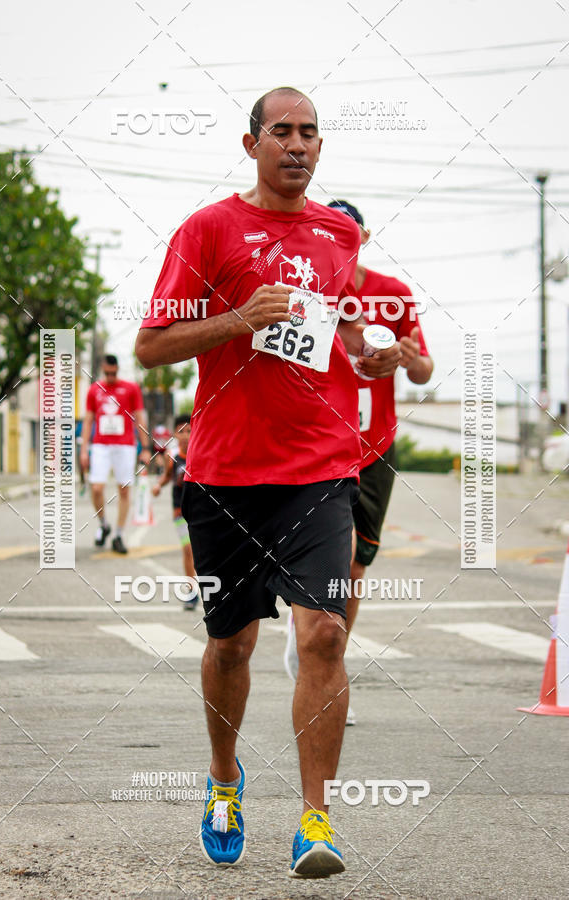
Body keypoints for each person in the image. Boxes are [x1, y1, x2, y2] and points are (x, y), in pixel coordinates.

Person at [135, 86, 399, 879]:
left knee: (324, 633)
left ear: (321, 147)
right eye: (281, 131)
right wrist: (240, 319)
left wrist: (370, 355)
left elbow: (343, 331)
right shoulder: (209, 229)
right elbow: (152, 346)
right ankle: (224, 780)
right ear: (251, 145)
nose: (297, 144)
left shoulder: (338, 233)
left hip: (320, 469)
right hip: (226, 473)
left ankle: (317, 822)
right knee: (232, 645)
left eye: (309, 132)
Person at [283, 200, 433, 726]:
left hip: (375, 447)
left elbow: (423, 370)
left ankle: (326, 657)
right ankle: (318, 655)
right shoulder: (307, 289)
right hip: (319, 446)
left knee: (355, 566)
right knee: (331, 555)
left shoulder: (393, 294)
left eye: (346, 230)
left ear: (362, 237)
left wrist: (410, 358)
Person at [80, 354, 151, 554]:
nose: (110, 376)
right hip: (101, 445)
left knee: (124, 490)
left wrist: (146, 448)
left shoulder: (131, 389)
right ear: (103, 370)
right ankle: (104, 524)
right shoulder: (94, 390)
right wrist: (84, 450)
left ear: (117, 369)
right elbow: (88, 420)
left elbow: (140, 418)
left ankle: (119, 535)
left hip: (125, 445)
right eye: (107, 373)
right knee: (96, 488)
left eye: (113, 373)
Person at [152, 413, 199, 610]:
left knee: (203, 551)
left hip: (200, 511)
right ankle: (191, 591)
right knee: (188, 550)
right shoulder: (171, 456)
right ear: (175, 434)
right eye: (181, 431)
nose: (185, 435)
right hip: (179, 510)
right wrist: (158, 485)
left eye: (189, 431)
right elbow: (167, 476)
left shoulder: (200, 453)